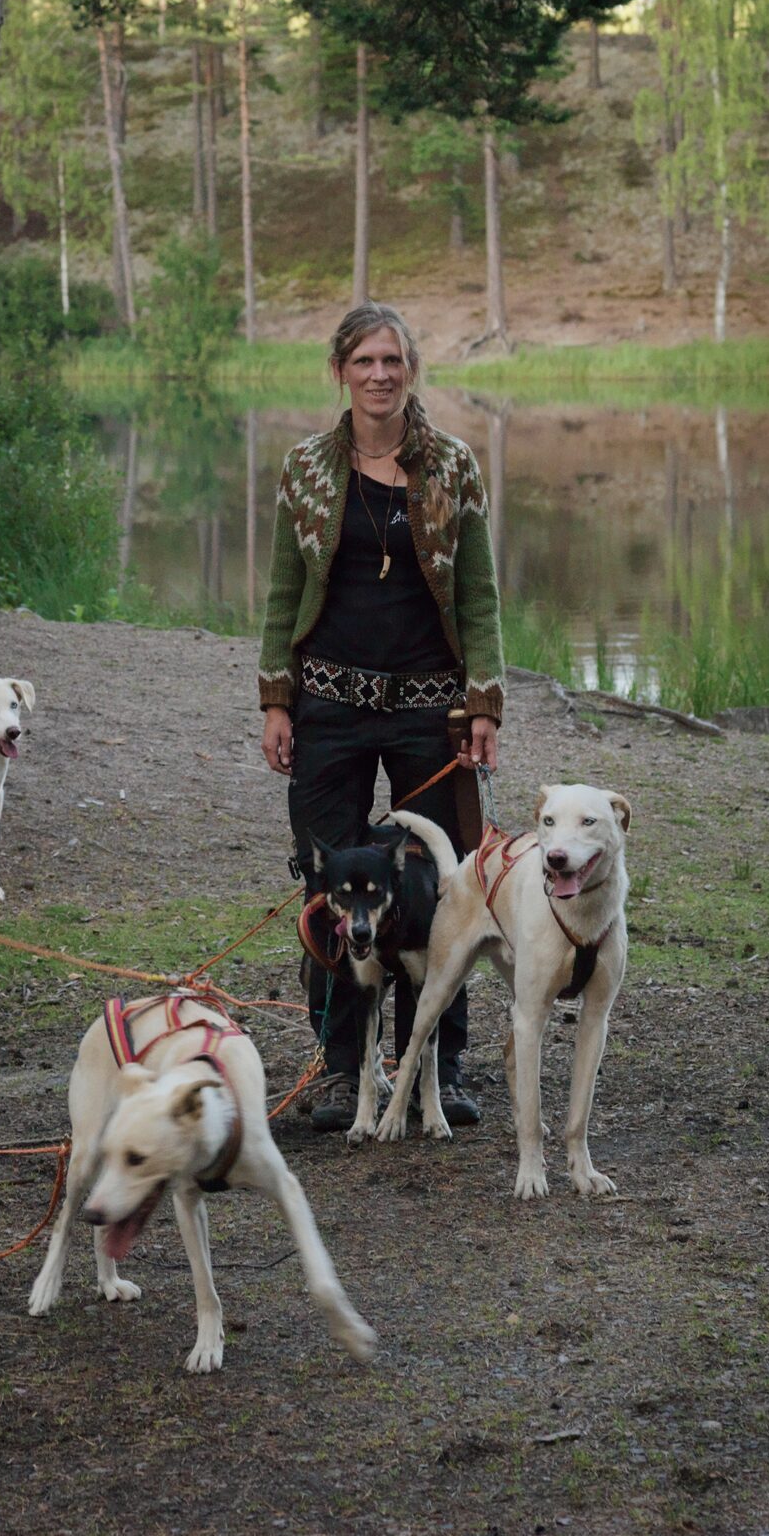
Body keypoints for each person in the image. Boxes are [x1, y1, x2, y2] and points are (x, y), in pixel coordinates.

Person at [258, 300, 504, 1133]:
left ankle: (439, 1063)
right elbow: (283, 591)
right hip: (328, 706)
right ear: (341, 371)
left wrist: (483, 702)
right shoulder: (305, 470)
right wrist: (276, 700)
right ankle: (341, 1069)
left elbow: (479, 595)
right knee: (329, 886)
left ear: (410, 370)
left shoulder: (455, 467)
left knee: (441, 893)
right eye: (364, 360)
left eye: (393, 359)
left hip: (429, 713)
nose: (380, 374)